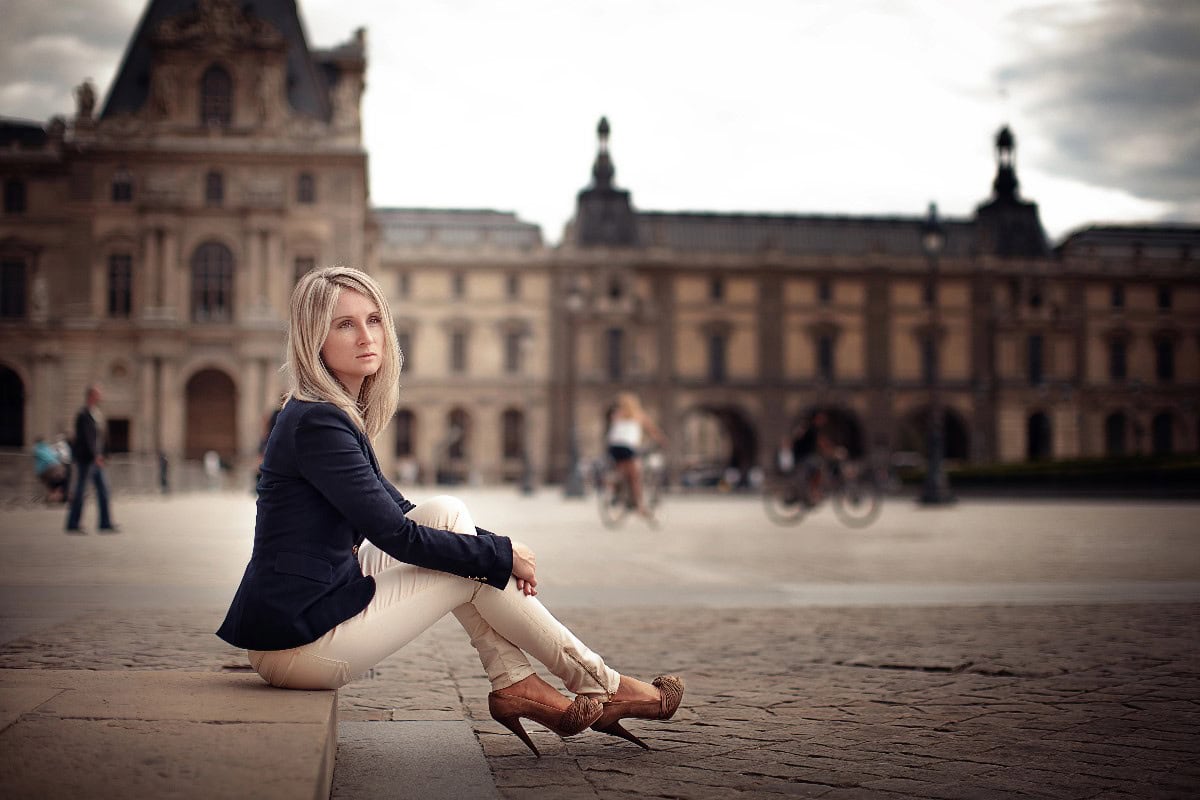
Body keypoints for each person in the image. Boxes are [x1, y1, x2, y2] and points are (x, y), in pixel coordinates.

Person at [216, 266, 682, 756]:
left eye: (374, 320)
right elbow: (397, 537)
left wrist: (495, 546)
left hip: (313, 602)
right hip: (299, 645)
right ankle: (600, 684)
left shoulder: (328, 414)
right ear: (314, 338)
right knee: (464, 567)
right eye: (344, 324)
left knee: (445, 512)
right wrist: (499, 554)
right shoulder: (317, 423)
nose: (366, 336)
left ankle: (517, 683)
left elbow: (403, 512)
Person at [604, 392, 668, 520]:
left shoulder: (616, 414)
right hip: (628, 447)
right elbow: (652, 430)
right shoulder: (638, 415)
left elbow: (614, 429)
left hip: (613, 446)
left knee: (621, 470)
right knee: (635, 477)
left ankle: (616, 491)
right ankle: (639, 506)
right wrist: (662, 440)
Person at [65, 384, 119, 533]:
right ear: (91, 396)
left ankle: (105, 523)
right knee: (81, 491)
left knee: (103, 491)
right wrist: (95, 455)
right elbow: (87, 438)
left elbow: (101, 437)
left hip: (97, 459)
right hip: (87, 459)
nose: (101, 397)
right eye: (98, 394)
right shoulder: (83, 414)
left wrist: (104, 455)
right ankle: (73, 523)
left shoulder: (97, 413)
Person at [783, 410, 846, 505]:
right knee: (820, 466)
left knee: (817, 465)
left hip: (805, 457)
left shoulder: (812, 429)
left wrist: (833, 451)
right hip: (802, 457)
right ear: (816, 418)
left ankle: (812, 491)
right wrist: (834, 452)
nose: (823, 421)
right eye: (821, 418)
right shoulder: (810, 428)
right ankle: (813, 492)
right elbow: (822, 444)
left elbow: (823, 443)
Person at [32, 436, 69, 503]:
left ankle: (52, 496)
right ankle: (54, 496)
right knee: (59, 480)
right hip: (54, 469)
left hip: (48, 470)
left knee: (53, 482)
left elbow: (52, 456)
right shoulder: (45, 449)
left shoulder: (39, 449)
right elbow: (55, 456)